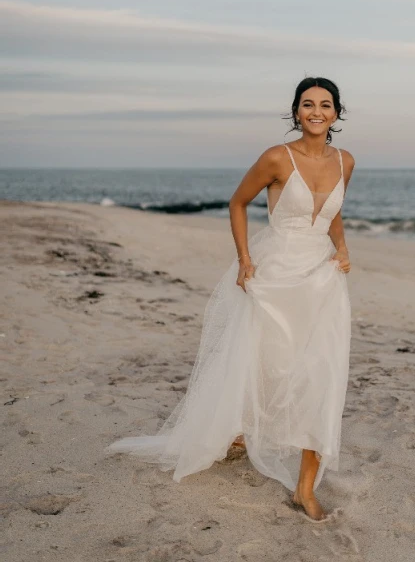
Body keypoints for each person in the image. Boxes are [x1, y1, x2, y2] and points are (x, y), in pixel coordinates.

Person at [105, 76, 356, 522]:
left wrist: (342, 247)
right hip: (275, 274)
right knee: (261, 362)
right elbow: (237, 203)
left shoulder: (346, 161)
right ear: (296, 112)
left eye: (325, 104)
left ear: (337, 112)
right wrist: (244, 259)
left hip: (323, 279)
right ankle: (238, 431)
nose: (316, 111)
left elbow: (332, 214)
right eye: (307, 104)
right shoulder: (277, 157)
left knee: (322, 373)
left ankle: (305, 488)